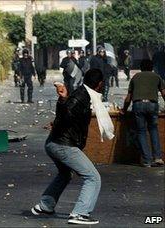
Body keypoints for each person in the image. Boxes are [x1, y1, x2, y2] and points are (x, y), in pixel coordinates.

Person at [31, 69, 114, 225]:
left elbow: (67, 111)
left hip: (55, 143)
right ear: (100, 84)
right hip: (63, 145)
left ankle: (45, 205)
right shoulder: (81, 96)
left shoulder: (84, 95)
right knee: (93, 178)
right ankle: (80, 214)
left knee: (65, 174)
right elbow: (67, 112)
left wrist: (62, 104)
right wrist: (62, 102)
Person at [121, 59, 165, 167]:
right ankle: (158, 158)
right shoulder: (157, 77)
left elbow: (128, 97)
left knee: (141, 131)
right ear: (152, 67)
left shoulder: (135, 77)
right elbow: (164, 93)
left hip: (138, 105)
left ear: (141, 68)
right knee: (153, 130)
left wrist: (124, 109)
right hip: (152, 105)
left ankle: (147, 160)